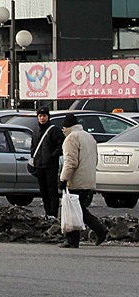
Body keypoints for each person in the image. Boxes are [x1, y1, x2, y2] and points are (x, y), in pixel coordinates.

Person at [59, 114, 110, 248]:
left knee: (74, 209)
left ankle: (98, 231)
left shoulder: (71, 138)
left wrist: (63, 179)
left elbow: (71, 162)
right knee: (78, 208)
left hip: (76, 180)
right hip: (88, 178)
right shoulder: (89, 137)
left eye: (63, 127)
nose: (63, 130)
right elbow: (96, 159)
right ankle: (74, 240)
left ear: (67, 127)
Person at [30, 106, 64, 218]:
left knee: (52, 191)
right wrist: (34, 159)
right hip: (39, 165)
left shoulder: (54, 130)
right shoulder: (35, 130)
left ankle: (53, 214)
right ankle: (47, 213)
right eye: (40, 116)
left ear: (48, 117)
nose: (42, 118)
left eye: (44, 116)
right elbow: (33, 146)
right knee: (43, 192)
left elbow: (61, 146)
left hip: (50, 166)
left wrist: (52, 156)